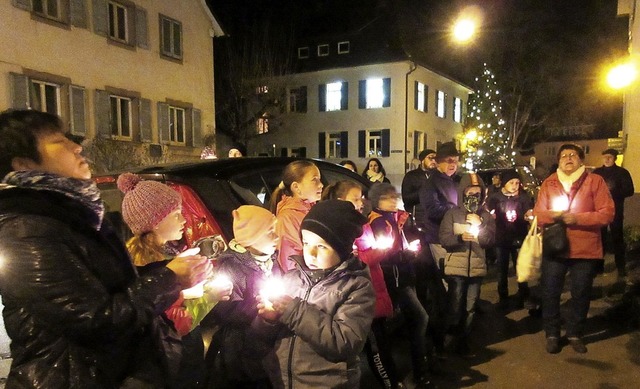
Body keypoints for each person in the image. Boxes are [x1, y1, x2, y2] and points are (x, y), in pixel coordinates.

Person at [0, 109, 213, 387]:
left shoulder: (71, 214)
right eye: (58, 142)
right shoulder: (26, 231)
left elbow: (107, 284)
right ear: (25, 164)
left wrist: (167, 269)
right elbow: (94, 320)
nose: (76, 146)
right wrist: (170, 279)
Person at [117, 172, 233, 388]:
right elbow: (177, 324)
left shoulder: (161, 255)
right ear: (155, 221)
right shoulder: (152, 266)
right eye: (176, 214)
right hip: (173, 367)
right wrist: (210, 296)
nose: (184, 219)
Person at [254, 200, 375, 388]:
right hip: (283, 381)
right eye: (306, 242)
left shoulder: (356, 287)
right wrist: (268, 320)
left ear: (342, 249)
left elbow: (346, 343)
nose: (310, 252)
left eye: (322, 246)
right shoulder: (292, 278)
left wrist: (293, 311)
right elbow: (262, 338)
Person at [533, 143, 614, 354]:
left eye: (573, 155)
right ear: (558, 161)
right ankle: (551, 333)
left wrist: (577, 218)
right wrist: (555, 216)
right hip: (555, 246)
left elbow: (607, 213)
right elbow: (539, 214)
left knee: (581, 293)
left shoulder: (595, 181)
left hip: (585, 247)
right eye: (563, 156)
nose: (568, 158)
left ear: (581, 160)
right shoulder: (549, 183)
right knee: (550, 291)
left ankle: (574, 332)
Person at [323, 181, 403, 388]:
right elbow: (358, 260)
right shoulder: (341, 228)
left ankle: (393, 381)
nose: (361, 202)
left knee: (379, 344)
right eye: (355, 199)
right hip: (363, 296)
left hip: (373, 287)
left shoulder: (361, 222)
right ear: (341, 201)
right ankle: (391, 383)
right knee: (375, 347)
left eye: (361, 198)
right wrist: (381, 250)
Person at [206, 205, 280, 388]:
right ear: (251, 239)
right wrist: (259, 308)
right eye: (270, 232)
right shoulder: (233, 267)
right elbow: (226, 312)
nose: (277, 236)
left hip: (268, 341)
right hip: (241, 350)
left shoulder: (272, 260)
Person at [368, 183, 434, 388]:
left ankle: (420, 364)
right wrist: (404, 255)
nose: (393, 200)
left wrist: (412, 247)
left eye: (394, 196)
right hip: (394, 278)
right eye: (387, 197)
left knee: (412, 320)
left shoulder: (396, 217)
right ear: (377, 201)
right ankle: (418, 370)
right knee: (419, 317)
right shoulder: (378, 222)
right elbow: (382, 252)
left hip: (404, 275)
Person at [439, 173, 495, 357]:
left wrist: (481, 226)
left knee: (470, 308)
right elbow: (444, 238)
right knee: (455, 306)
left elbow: (489, 242)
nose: (474, 196)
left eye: (478, 192)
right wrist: (459, 238)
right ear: (462, 192)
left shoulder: (486, 216)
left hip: (476, 269)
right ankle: (448, 341)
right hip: (456, 267)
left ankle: (464, 342)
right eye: (470, 192)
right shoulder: (452, 214)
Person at [486, 170, 534, 310]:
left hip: (518, 236)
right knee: (502, 268)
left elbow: (529, 211)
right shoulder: (495, 198)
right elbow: (489, 212)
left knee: (521, 266)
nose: (515, 186)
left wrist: (528, 216)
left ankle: (523, 292)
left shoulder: (523, 198)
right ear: (504, 183)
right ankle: (503, 295)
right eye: (511, 182)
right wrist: (491, 217)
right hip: (501, 238)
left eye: (517, 183)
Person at [270, 160, 323, 272]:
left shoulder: (312, 210)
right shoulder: (287, 218)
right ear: (296, 187)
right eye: (315, 180)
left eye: (320, 179)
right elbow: (290, 262)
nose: (321, 185)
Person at [592, 148, 634, 278]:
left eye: (610, 157)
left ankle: (620, 267)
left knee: (617, 238)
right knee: (599, 239)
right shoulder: (597, 173)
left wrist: (612, 193)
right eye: (605, 157)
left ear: (615, 158)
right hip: (599, 211)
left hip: (616, 210)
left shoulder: (622, 172)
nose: (607, 159)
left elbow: (629, 190)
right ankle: (598, 267)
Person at [401, 148, 437, 228]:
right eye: (430, 158)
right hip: (418, 219)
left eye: (436, 158)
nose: (434, 161)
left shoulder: (439, 176)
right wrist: (423, 192)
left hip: (436, 219)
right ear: (422, 160)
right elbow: (406, 198)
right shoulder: (411, 176)